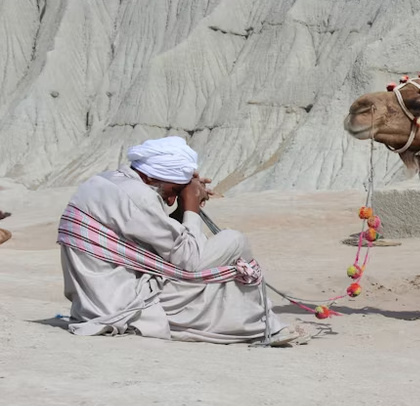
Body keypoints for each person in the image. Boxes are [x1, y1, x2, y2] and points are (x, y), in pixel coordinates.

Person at [57, 136, 304, 345]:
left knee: (212, 261)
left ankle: (253, 319)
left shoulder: (110, 181)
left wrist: (184, 200)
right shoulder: (139, 197)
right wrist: (191, 204)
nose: (170, 200)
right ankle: (262, 324)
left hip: (96, 299)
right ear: (154, 178)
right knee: (233, 241)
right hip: (122, 303)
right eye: (173, 191)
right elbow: (191, 261)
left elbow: (155, 239)